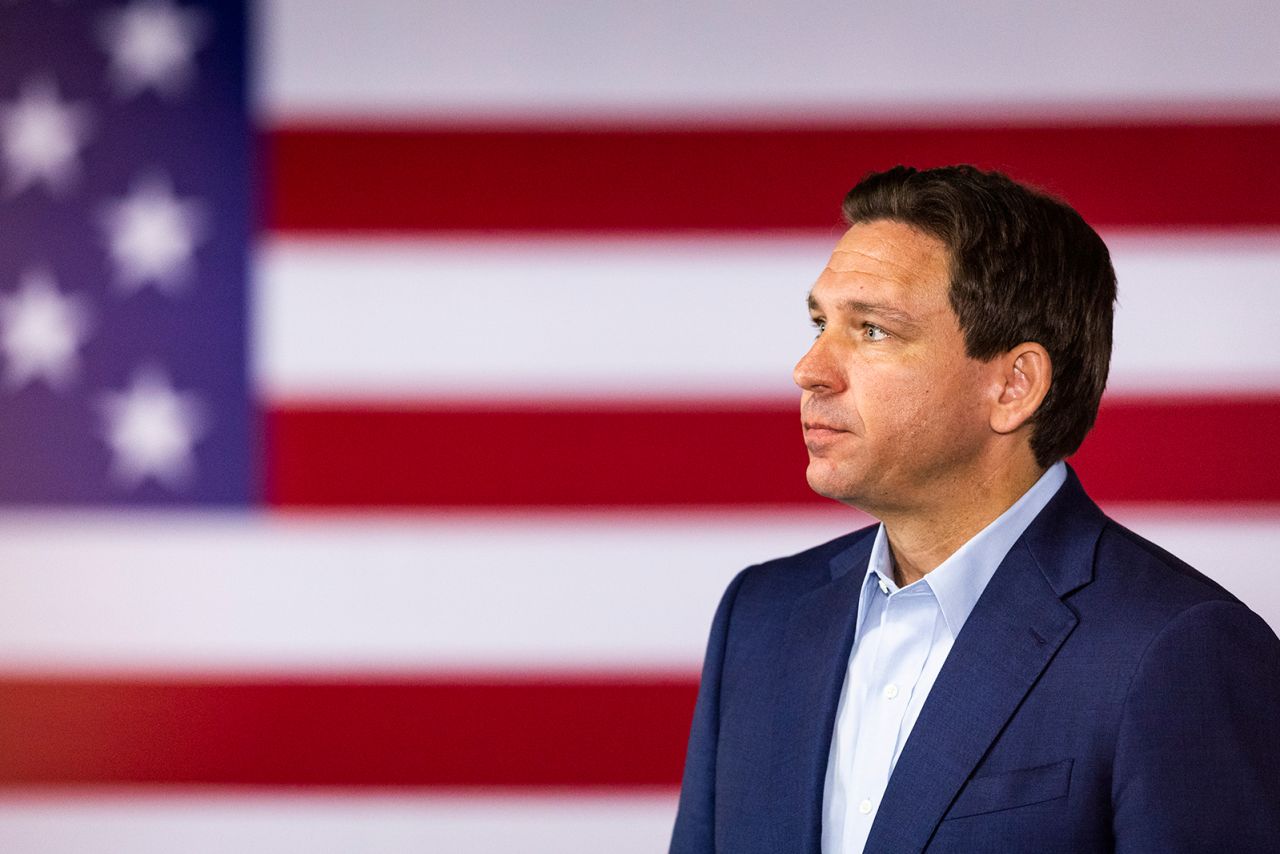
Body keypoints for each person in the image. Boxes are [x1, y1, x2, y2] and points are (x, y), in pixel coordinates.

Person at [668, 165, 1280, 854]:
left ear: (1014, 386)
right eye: (819, 322)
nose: (810, 368)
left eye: (871, 330)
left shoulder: (1178, 650)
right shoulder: (761, 615)